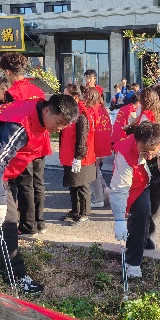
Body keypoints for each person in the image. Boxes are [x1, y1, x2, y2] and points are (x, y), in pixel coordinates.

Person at [0, 93, 78, 293]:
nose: (58, 129)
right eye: (58, 122)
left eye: (64, 126)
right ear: (47, 110)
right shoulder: (19, 125)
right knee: (6, 219)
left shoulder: (38, 114)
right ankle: (17, 277)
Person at [109, 121, 160, 278]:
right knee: (141, 215)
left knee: (153, 216)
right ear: (136, 142)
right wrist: (119, 220)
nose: (148, 155)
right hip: (136, 184)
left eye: (152, 151)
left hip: (157, 181)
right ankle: (132, 262)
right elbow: (119, 188)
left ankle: (148, 250)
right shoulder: (126, 151)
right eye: (143, 151)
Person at [0, 52, 51, 236]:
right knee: (38, 183)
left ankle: (28, 225)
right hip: (41, 142)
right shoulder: (37, 89)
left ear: (8, 71)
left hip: (25, 145)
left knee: (25, 184)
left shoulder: (12, 93)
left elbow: (11, 123)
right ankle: (40, 221)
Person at [59, 84, 97, 224]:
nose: (64, 97)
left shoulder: (81, 115)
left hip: (79, 156)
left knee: (81, 185)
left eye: (66, 95)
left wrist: (78, 157)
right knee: (73, 184)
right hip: (69, 155)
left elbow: (82, 138)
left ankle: (84, 212)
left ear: (75, 97)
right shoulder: (72, 111)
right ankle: (75, 210)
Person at [86, 87, 113, 209]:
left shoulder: (90, 110)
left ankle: (98, 199)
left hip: (94, 145)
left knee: (94, 172)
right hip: (104, 145)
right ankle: (105, 190)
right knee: (97, 170)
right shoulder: (103, 109)